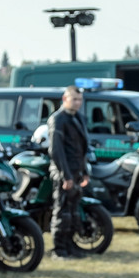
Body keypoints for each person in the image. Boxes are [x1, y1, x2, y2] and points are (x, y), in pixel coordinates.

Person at [47, 86, 90, 260]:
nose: (78, 103)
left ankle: (71, 246)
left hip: (77, 172)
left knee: (73, 213)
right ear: (65, 99)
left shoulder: (78, 118)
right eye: (74, 99)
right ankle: (59, 250)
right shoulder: (58, 119)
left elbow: (82, 149)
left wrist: (84, 172)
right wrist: (66, 176)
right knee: (62, 212)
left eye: (80, 99)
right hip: (63, 173)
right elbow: (56, 151)